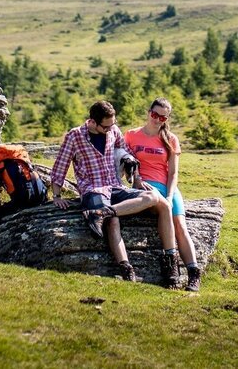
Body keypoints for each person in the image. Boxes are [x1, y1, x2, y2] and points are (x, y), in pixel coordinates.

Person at [49, 100, 180, 286]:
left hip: (115, 186)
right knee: (114, 221)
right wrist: (56, 196)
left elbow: (127, 153)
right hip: (93, 189)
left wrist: (137, 177)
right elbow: (61, 164)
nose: (111, 129)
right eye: (106, 126)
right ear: (92, 122)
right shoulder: (75, 136)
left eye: (113, 124)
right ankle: (126, 268)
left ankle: (102, 213)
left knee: (151, 197)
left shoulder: (114, 130)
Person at [125, 98, 203, 292]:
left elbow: (173, 173)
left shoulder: (171, 139)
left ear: (167, 118)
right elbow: (125, 163)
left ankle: (193, 273)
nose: (157, 119)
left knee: (181, 225)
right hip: (144, 187)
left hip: (167, 187)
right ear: (148, 112)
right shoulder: (131, 135)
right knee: (162, 210)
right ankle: (171, 266)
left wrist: (169, 196)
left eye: (162, 117)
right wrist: (136, 179)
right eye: (154, 114)